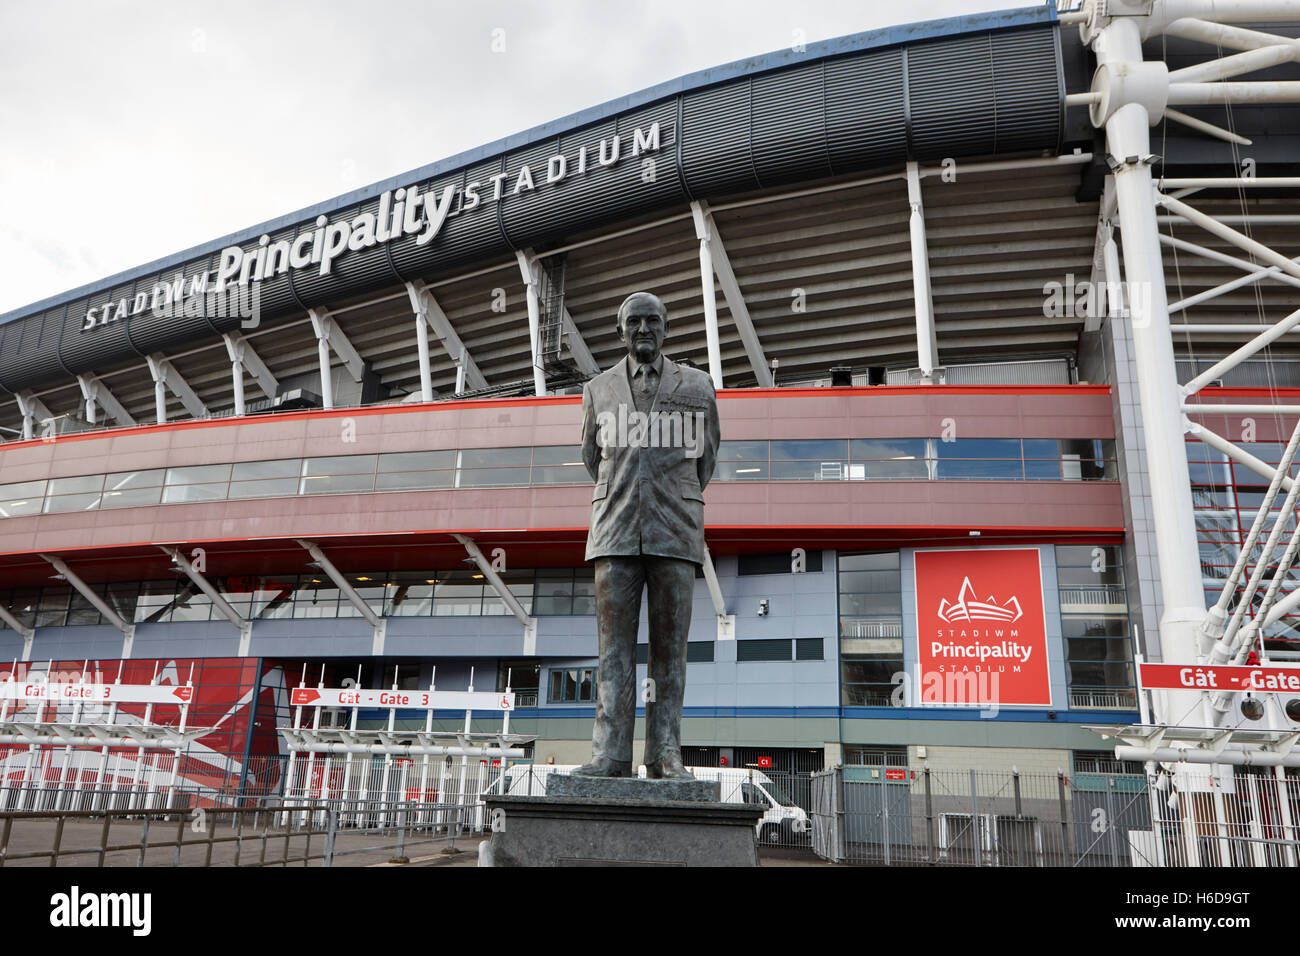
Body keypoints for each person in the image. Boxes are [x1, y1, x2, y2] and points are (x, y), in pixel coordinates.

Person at [574, 291, 720, 779]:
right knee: (612, 650)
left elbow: (706, 459)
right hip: (615, 528)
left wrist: (665, 494)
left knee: (670, 652)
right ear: (620, 331)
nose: (643, 330)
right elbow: (594, 459)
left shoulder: (698, 386)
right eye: (633, 321)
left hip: (675, 530)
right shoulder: (597, 390)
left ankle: (664, 754)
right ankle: (610, 755)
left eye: (652, 321)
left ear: (666, 328)